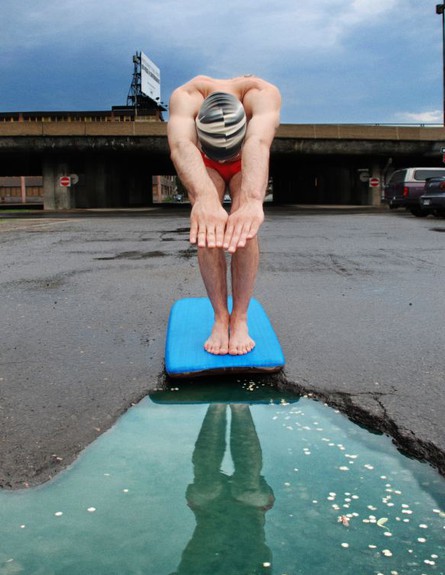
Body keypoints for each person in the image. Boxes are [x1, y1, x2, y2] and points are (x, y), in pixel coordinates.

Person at [167, 75, 281, 356]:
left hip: (248, 156)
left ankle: (240, 318)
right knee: (208, 228)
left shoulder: (262, 94)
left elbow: (259, 143)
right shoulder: (186, 96)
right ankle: (220, 318)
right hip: (203, 162)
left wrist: (253, 201)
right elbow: (181, 146)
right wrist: (204, 198)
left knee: (245, 223)